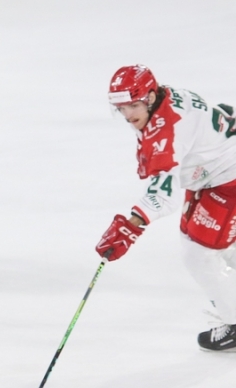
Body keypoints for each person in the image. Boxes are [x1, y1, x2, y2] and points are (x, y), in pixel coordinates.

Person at [96, 64, 236, 351]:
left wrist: (130, 227)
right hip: (211, 174)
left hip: (227, 179)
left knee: (199, 254)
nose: (128, 115)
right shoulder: (162, 98)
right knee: (199, 241)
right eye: (121, 109)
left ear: (149, 97)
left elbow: (165, 195)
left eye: (133, 105)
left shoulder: (165, 132)